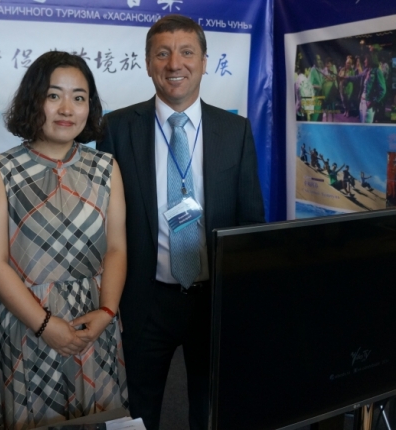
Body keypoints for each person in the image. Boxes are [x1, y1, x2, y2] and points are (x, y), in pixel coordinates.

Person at [97, 14, 265, 430]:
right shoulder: (117, 128)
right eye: (163, 53)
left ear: (204, 62)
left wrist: (245, 303)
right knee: (135, 411)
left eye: (187, 52)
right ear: (147, 63)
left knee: (212, 410)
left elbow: (250, 221)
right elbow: (102, 224)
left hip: (213, 300)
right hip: (144, 299)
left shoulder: (235, 130)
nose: (175, 63)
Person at [0, 51, 129, 429]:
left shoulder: (106, 167)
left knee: (99, 419)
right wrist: (46, 325)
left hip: (94, 323)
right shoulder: (1, 169)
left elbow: (116, 248)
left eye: (79, 97)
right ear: (34, 100)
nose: (67, 109)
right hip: (28, 324)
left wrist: (107, 312)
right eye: (53, 95)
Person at [341, 52, 386, 123]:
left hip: (368, 104)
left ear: (370, 60)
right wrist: (347, 77)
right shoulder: (366, 71)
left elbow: (383, 90)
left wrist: (373, 101)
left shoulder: (377, 71)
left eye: (366, 59)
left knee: (366, 126)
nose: (364, 61)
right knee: (362, 124)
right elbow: (357, 77)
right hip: (361, 103)